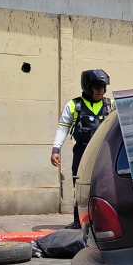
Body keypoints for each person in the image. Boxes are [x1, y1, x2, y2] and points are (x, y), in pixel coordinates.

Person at [51, 69, 112, 227]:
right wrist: (56, 149)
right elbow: (63, 128)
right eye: (97, 87)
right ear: (87, 87)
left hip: (103, 153)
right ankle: (79, 222)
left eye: (103, 87)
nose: (101, 91)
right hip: (82, 153)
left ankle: (102, 221)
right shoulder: (74, 105)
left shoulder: (109, 105)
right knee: (79, 187)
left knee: (103, 187)